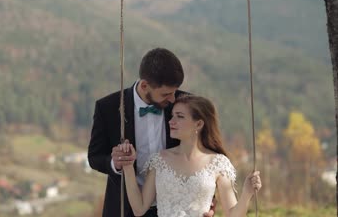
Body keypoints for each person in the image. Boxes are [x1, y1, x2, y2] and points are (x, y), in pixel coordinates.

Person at [88, 48, 214, 217]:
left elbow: (205, 152)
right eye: (166, 94)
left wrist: (206, 199)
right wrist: (115, 163)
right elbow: (94, 157)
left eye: (174, 91)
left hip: (177, 208)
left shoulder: (185, 105)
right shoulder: (108, 107)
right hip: (124, 208)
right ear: (145, 85)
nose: (172, 99)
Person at [120, 94, 262, 217]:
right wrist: (127, 166)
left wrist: (247, 193)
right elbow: (139, 209)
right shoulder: (159, 160)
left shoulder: (218, 163)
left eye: (180, 116)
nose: (171, 121)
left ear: (199, 124)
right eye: (172, 116)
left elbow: (232, 214)